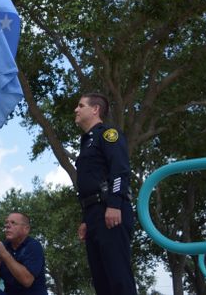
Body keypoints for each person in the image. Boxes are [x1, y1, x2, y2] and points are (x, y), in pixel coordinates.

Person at [74, 93, 137, 295]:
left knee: (119, 278)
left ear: (95, 109)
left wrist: (115, 204)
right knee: (102, 282)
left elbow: (120, 170)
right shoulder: (86, 142)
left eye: (80, 105)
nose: (76, 109)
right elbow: (89, 183)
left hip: (110, 211)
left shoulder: (108, 133)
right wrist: (86, 219)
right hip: (94, 215)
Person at [0, 212, 46, 295]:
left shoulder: (34, 246)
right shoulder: (4, 246)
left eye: (13, 223)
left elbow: (27, 281)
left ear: (26, 229)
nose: (7, 226)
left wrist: (4, 254)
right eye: (6, 222)